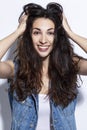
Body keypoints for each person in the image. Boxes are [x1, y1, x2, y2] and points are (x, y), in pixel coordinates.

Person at [0, 2, 87, 130]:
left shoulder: (69, 65)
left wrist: (70, 33)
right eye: (36, 33)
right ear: (29, 36)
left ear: (57, 37)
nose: (43, 40)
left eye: (50, 33)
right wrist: (18, 31)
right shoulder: (17, 70)